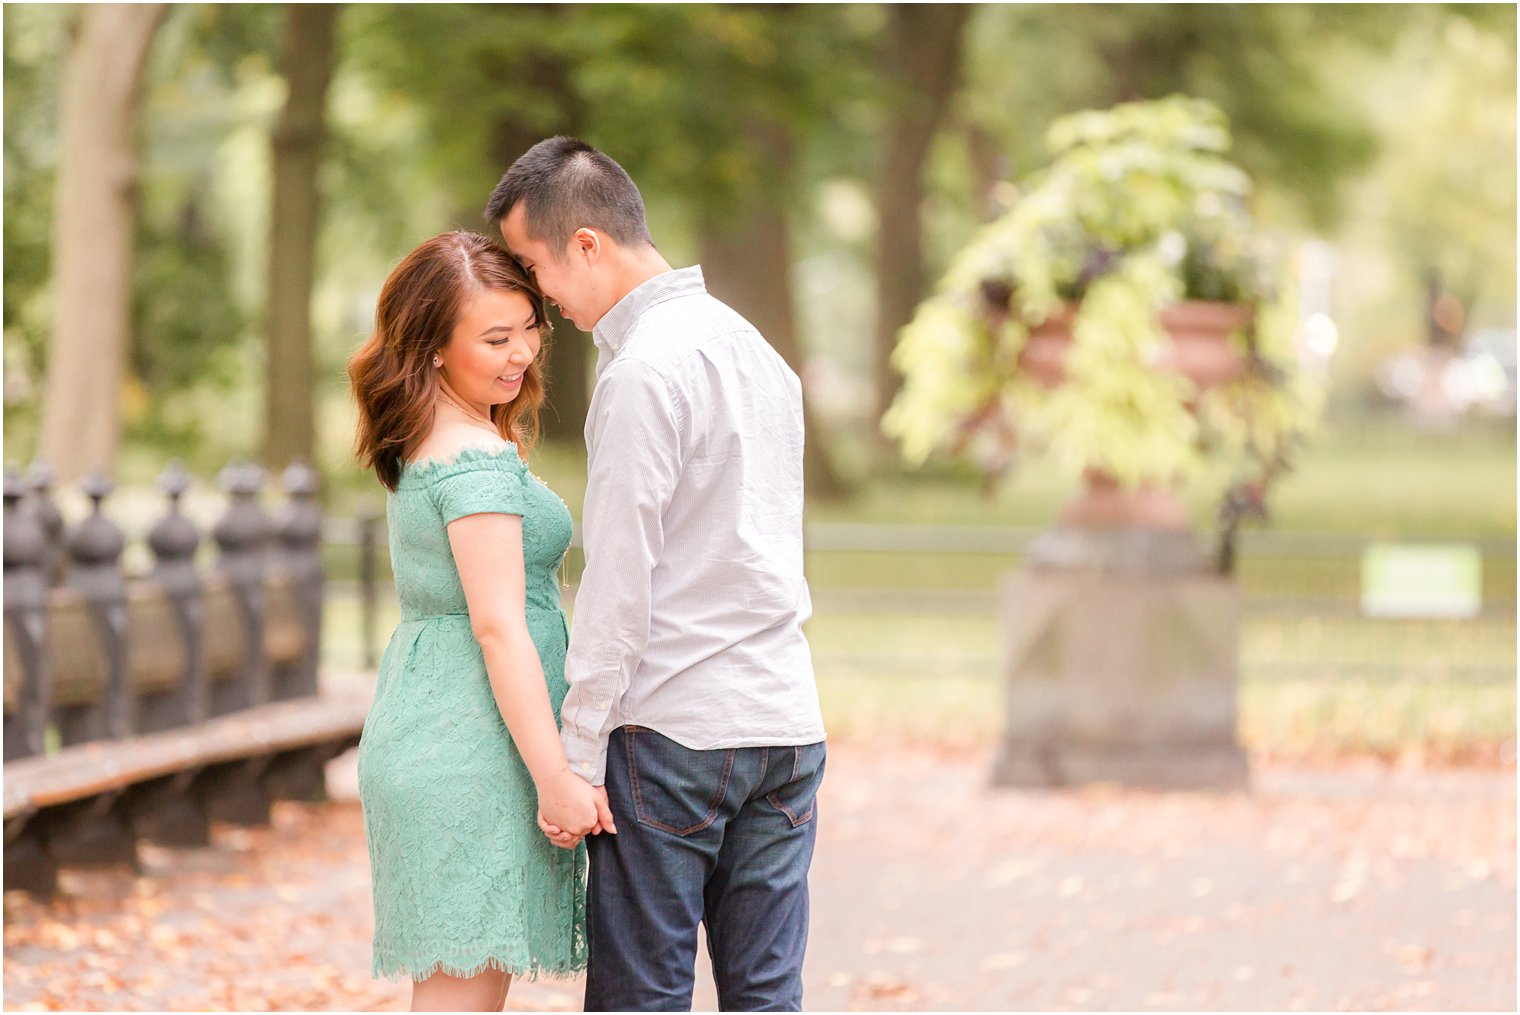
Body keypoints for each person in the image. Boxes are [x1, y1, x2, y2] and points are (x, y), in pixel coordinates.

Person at [485, 137, 827, 1012]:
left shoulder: (643, 373)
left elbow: (620, 585)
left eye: (534, 267)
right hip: (784, 724)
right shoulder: (757, 352)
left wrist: (578, 750)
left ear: (587, 245)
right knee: (766, 995)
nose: (539, 299)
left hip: (674, 732)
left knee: (640, 999)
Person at [346, 231, 614, 1012]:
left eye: (529, 327)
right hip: (473, 745)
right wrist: (555, 777)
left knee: (457, 991)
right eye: (495, 338)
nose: (522, 353)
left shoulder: (434, 435)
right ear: (431, 346)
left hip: (439, 723)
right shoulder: (473, 460)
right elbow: (499, 628)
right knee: (459, 997)